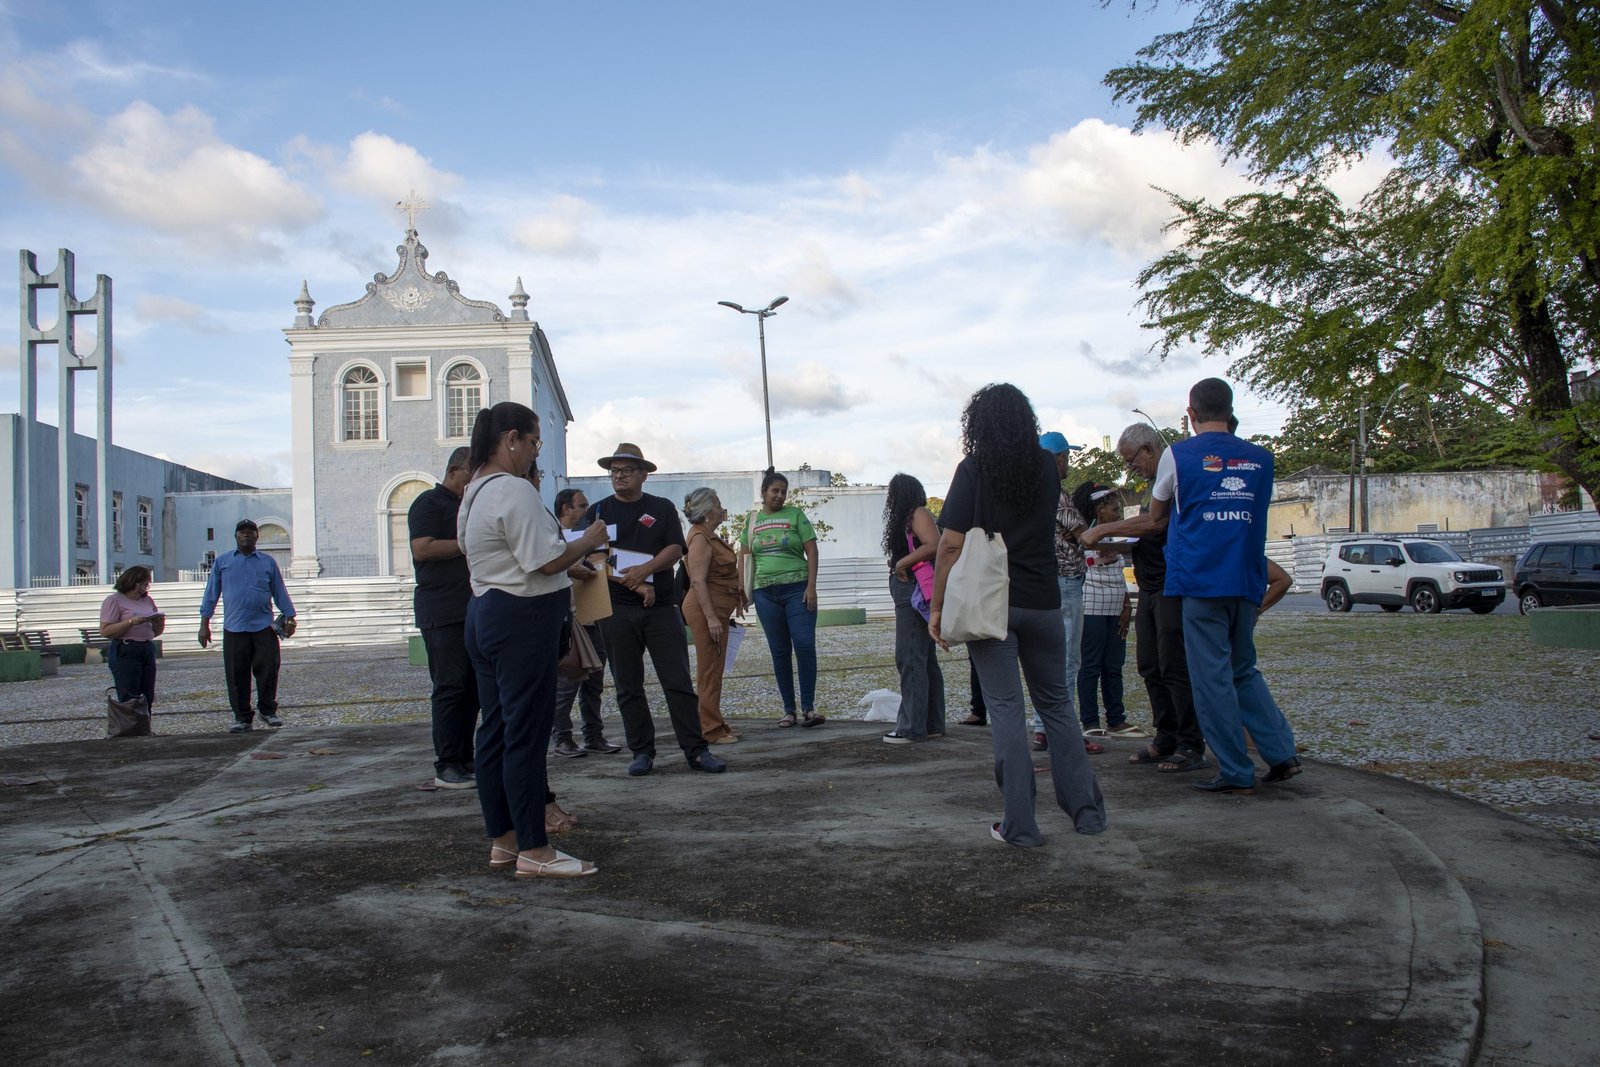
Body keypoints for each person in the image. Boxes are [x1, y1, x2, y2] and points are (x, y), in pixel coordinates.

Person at [929, 383, 1108, 847]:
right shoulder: (1047, 470)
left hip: (992, 605)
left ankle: (1021, 826)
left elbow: (949, 544)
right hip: (1044, 599)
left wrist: (937, 605)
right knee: (1057, 707)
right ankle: (1087, 812)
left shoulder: (973, 469)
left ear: (979, 425)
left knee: (1007, 710)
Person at [459, 402, 609, 878]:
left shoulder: (473, 491)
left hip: (486, 610)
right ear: (511, 440)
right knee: (524, 735)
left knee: (497, 732)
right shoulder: (512, 490)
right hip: (521, 617)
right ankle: (534, 849)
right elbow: (544, 561)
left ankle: (503, 839)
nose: (533, 453)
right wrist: (588, 540)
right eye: (533, 443)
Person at [1158, 378, 1302, 795]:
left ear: (1191, 414)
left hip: (1201, 581)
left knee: (1211, 679)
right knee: (1243, 669)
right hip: (1246, 579)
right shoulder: (1262, 459)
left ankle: (1236, 769)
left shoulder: (1178, 455)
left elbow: (1158, 510)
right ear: (1230, 409)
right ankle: (1281, 754)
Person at [585, 443, 728, 777]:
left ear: (644, 474)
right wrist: (635, 582)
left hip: (662, 608)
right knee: (627, 685)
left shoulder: (660, 508)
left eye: (627, 470)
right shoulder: (597, 512)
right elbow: (594, 556)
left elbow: (676, 548)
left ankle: (696, 750)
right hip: (617, 608)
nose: (619, 476)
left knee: (676, 681)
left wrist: (646, 569)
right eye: (614, 471)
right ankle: (642, 751)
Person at [1081, 424, 1208, 775]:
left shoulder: (1170, 479)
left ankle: (1189, 742)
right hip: (1150, 587)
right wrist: (1108, 543)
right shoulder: (1154, 483)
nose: (1131, 467)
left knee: (1174, 667)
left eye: (1132, 459)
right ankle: (1165, 735)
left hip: (1171, 584)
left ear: (1150, 449)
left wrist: (1105, 530)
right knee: (1150, 664)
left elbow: (1155, 523)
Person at [408, 447, 479, 789]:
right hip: (442, 610)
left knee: (473, 689)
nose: (474, 479)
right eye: (470, 473)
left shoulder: (469, 505)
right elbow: (422, 548)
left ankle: (466, 757)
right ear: (454, 471)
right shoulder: (429, 503)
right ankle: (447, 763)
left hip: (473, 609)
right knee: (450, 688)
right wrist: (466, 544)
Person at [742, 467, 824, 728]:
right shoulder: (752, 520)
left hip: (797, 590)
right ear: (763, 492)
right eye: (774, 491)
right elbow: (743, 557)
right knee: (779, 651)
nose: (779, 495)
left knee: (803, 645)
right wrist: (741, 591)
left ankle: (809, 708)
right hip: (765, 592)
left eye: (783, 492)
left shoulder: (795, 515)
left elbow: (812, 551)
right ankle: (789, 710)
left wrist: (811, 587)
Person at [1034, 431, 1100, 755]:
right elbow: (1083, 535)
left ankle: (1043, 727)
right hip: (1066, 581)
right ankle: (1065, 731)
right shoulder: (1056, 493)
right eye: (1067, 456)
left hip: (1045, 581)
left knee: (1047, 660)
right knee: (1067, 660)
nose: (1069, 462)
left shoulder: (1030, 492)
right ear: (1058, 458)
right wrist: (1110, 540)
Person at [199, 519, 297, 733]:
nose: (246, 536)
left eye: (251, 533)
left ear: (256, 537)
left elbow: (279, 590)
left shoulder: (267, 562)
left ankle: (268, 710)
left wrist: (290, 616)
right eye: (242, 533)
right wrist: (204, 624)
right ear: (236, 536)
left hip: (263, 627)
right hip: (234, 628)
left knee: (269, 669)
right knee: (236, 674)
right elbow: (211, 593)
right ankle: (242, 717)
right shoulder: (223, 562)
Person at [550, 488, 622, 757]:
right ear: (566, 509)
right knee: (568, 681)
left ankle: (594, 735)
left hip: (594, 612)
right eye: (581, 506)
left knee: (594, 681)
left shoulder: (589, 538)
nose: (585, 511)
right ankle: (562, 737)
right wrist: (572, 567)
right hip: (569, 619)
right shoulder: (552, 536)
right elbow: (548, 565)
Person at [881, 473, 945, 743]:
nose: (889, 499)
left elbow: (935, 544)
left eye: (893, 493)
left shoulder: (917, 513)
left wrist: (902, 564)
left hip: (914, 589)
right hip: (909, 587)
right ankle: (930, 722)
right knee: (923, 658)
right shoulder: (907, 517)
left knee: (908, 656)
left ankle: (911, 727)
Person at [680, 487, 747, 745]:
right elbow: (697, 581)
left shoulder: (708, 535)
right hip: (705, 610)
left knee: (715, 668)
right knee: (709, 670)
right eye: (718, 505)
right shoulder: (699, 539)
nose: (722, 509)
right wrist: (711, 618)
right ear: (707, 511)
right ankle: (710, 729)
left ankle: (715, 722)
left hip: (716, 609)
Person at [1075, 484, 1141, 738]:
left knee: (1114, 664)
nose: (1119, 513)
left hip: (1115, 605)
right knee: (1090, 665)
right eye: (1114, 509)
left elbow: (1119, 575)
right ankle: (1090, 721)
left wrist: (1126, 605)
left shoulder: (1116, 537)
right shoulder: (1083, 534)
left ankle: (1116, 718)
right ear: (1099, 510)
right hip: (1091, 605)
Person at [100, 565, 165, 717]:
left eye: (145, 585)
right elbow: (105, 631)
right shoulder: (114, 600)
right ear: (129, 582)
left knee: (147, 693)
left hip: (146, 648)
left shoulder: (147, 600)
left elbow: (154, 632)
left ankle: (144, 727)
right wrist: (130, 622)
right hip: (126, 649)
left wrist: (159, 623)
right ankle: (130, 729)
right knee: (129, 693)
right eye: (139, 584)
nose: (142, 588)